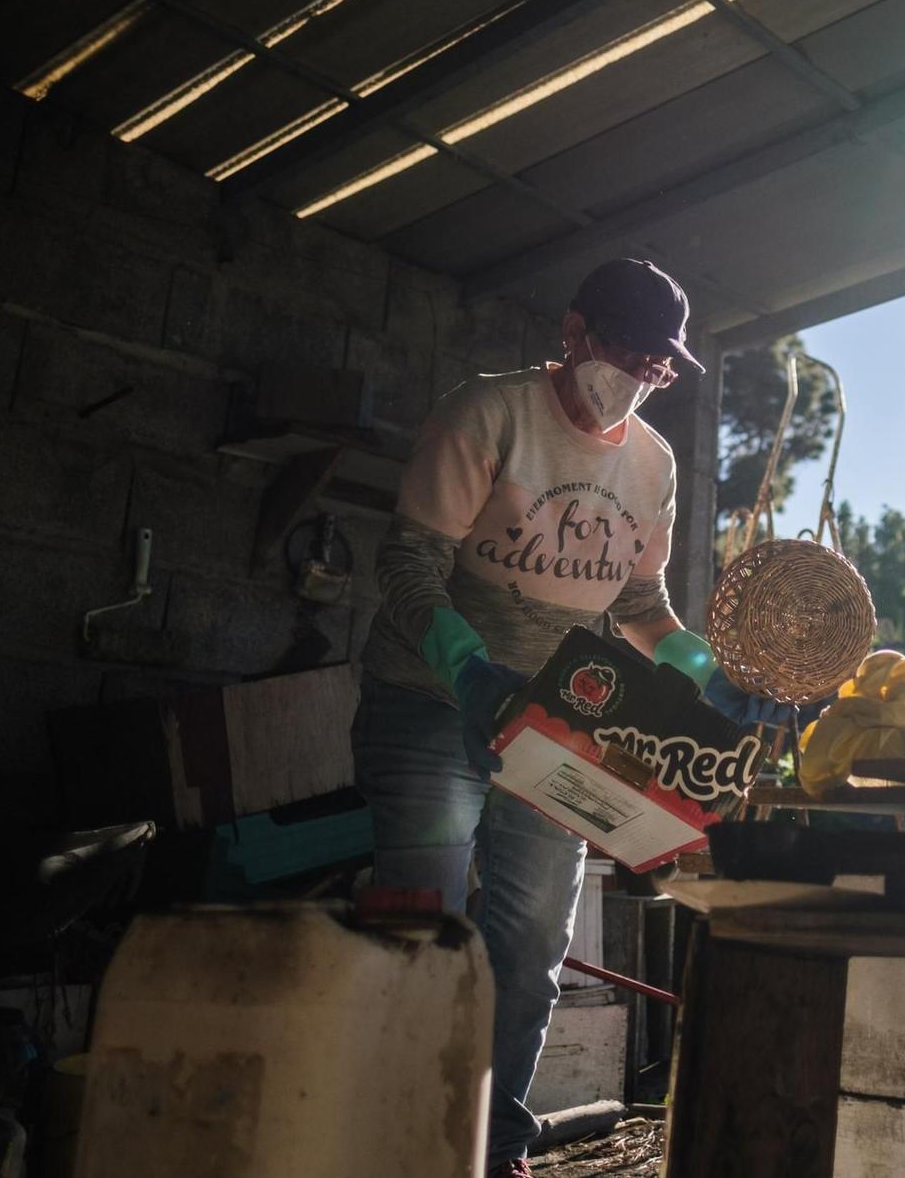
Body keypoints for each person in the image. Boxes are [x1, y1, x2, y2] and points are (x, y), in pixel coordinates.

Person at [351, 258, 702, 1175]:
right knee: (424, 915)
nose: (634, 377)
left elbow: (640, 601)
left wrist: (702, 669)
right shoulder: (488, 414)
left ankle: (492, 1145)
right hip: (433, 702)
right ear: (573, 332)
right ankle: (399, 1141)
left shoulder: (654, 462)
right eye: (622, 352)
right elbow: (409, 566)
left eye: (657, 366)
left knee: (535, 932)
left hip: (554, 728)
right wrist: (467, 670)